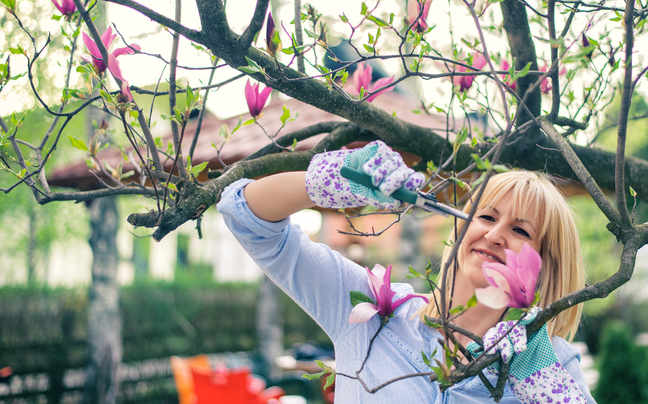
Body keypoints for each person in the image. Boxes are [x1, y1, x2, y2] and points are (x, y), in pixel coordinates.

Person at [218, 140, 596, 403]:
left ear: (546, 265)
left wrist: (544, 390)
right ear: (461, 227)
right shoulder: (368, 311)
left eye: (520, 230)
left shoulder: (550, 363)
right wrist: (332, 180)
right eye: (486, 216)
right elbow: (245, 217)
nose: (495, 235)